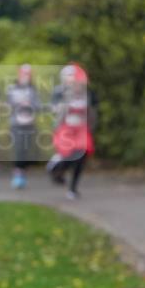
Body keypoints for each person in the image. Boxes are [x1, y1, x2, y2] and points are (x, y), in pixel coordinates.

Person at [49, 63, 97, 199]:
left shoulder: (87, 94)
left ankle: (73, 188)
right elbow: (54, 110)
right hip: (66, 129)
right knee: (69, 156)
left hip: (82, 130)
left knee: (81, 157)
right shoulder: (60, 92)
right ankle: (56, 168)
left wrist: (91, 127)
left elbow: (92, 113)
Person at [6, 64, 41, 189]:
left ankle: (22, 173)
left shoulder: (33, 89)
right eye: (24, 74)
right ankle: (17, 174)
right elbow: (7, 105)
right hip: (16, 124)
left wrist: (30, 104)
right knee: (18, 149)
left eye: (28, 74)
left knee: (26, 150)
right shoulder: (12, 88)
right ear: (19, 74)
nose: (26, 76)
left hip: (29, 124)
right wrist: (18, 103)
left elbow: (38, 106)